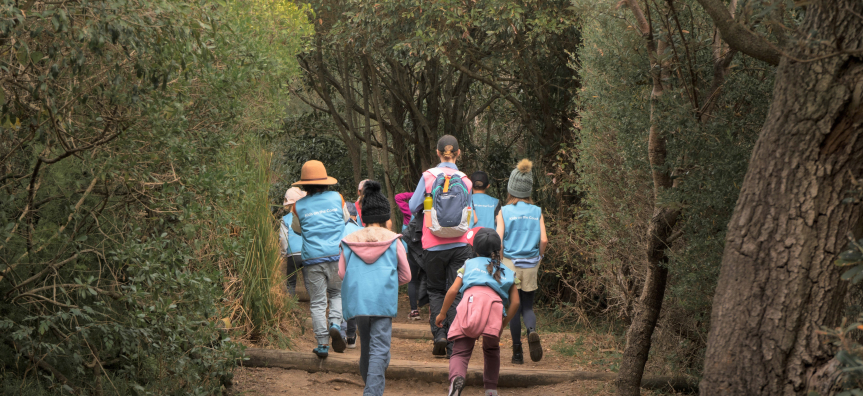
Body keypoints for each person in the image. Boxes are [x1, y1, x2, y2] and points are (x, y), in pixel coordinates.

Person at [339, 180, 411, 396]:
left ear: (363, 216)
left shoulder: (349, 240)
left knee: (367, 349)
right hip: (382, 301)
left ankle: (370, 387)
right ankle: (372, 392)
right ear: (386, 218)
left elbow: (342, 273)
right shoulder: (394, 241)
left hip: (359, 301)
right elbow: (406, 275)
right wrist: (387, 283)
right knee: (380, 349)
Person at [408, 135, 474, 357]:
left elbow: (413, 205)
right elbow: (470, 212)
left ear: (437, 153)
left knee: (435, 290)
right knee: (455, 293)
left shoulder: (428, 176)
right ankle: (454, 343)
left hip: (433, 244)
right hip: (460, 244)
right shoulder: (466, 180)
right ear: (458, 152)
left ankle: (439, 336)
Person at [436, 228, 519, 396]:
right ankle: (490, 389)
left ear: (474, 249)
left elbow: (452, 291)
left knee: (460, 350)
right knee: (491, 350)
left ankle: (456, 380)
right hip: (494, 309)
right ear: (498, 249)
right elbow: (516, 302)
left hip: (470, 305)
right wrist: (503, 323)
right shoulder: (508, 271)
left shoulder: (468, 265)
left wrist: (442, 313)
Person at [290, 160, 349, 358]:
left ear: (303, 184)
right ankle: (334, 324)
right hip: (336, 255)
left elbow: (297, 230)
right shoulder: (337, 198)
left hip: (312, 260)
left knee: (316, 303)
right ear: (325, 181)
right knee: (337, 295)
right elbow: (346, 220)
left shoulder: (298, 206)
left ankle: (322, 344)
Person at [495, 159, 548, 364]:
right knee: (527, 307)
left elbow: (498, 240)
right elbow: (543, 239)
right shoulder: (537, 211)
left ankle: (517, 353)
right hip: (531, 263)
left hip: (510, 264)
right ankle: (532, 330)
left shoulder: (504, 211)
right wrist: (539, 257)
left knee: (513, 309)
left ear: (511, 188)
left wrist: (500, 260)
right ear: (529, 190)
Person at [396, 191, 424, 320]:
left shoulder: (409, 211)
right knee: (429, 277)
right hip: (426, 249)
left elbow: (398, 197)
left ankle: (414, 311)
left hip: (410, 249)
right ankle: (432, 309)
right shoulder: (428, 212)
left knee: (412, 280)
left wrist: (414, 194)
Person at [279, 187, 306, 295]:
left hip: (292, 254)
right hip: (307, 253)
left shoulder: (285, 219)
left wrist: (283, 253)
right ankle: (316, 302)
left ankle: (291, 305)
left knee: (291, 282)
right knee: (309, 281)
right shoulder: (306, 216)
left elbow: (283, 239)